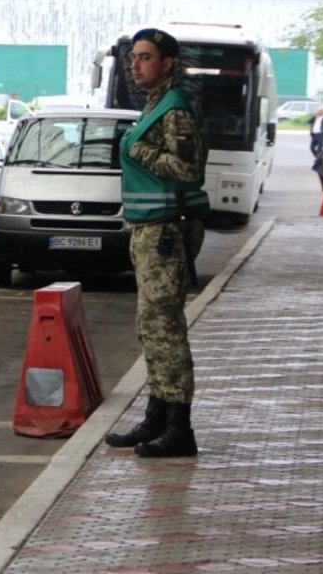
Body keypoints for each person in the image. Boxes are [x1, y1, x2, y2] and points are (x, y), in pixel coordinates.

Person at [105, 28, 210, 459]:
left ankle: (179, 428)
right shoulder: (154, 105)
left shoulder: (174, 109)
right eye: (134, 58)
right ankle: (155, 416)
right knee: (151, 327)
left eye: (145, 57)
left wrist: (136, 153)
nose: (136, 64)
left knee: (165, 329)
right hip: (149, 229)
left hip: (167, 230)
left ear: (167, 63)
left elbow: (187, 169)